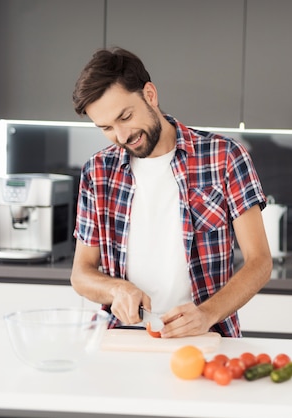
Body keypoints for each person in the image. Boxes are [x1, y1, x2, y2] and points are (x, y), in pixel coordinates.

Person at [70, 47, 272, 338]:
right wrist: (116, 288)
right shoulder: (97, 171)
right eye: (106, 127)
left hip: (205, 337)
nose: (122, 136)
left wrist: (206, 314)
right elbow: (81, 274)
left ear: (150, 95)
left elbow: (260, 263)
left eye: (125, 116)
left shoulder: (224, 156)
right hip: (125, 338)